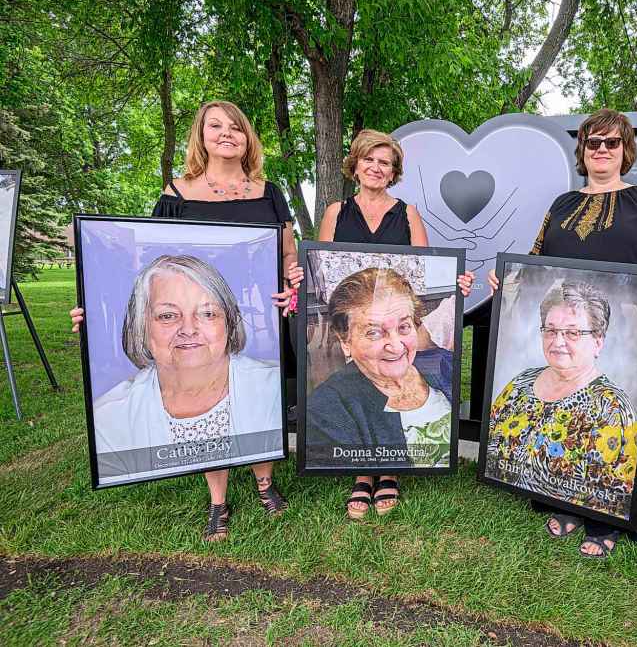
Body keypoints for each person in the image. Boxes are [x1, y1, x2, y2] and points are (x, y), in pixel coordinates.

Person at [71, 100, 302, 541]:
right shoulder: (176, 194)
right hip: (194, 318)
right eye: (216, 126)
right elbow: (146, 262)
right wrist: (96, 313)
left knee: (257, 397)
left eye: (236, 126)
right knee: (201, 391)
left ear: (247, 138)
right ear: (201, 136)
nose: (227, 133)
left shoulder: (268, 192)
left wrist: (291, 275)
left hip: (259, 318)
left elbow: (288, 252)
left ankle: (265, 482)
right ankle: (218, 500)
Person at [489, 108, 637, 558]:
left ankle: (609, 513)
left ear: (625, 150)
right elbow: (536, 256)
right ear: (582, 150)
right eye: (593, 143)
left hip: (626, 327)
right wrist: (510, 279)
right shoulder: (562, 205)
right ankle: (566, 501)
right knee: (567, 423)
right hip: (565, 322)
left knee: (612, 424)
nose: (601, 150)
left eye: (611, 143)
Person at [317, 129, 473, 519]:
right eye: (369, 159)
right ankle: (362, 474)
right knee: (366, 386)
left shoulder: (408, 214)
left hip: (392, 308)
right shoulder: (336, 212)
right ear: (356, 165)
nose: (375, 167)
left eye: (384, 162)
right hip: (361, 314)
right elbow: (318, 258)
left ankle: (388, 471)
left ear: (393, 172)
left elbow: (426, 267)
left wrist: (456, 280)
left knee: (397, 375)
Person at [94, 255, 283, 484]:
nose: (189, 329)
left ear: (229, 322)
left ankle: (264, 487)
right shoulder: (109, 418)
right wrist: (90, 328)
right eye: (167, 316)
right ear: (141, 327)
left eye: (207, 314)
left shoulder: (275, 388)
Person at [486, 281, 637, 522]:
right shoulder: (521, 382)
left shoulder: (612, 408)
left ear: (598, 341)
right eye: (550, 330)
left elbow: (615, 492)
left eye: (572, 332)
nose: (557, 342)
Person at [307, 268, 453, 473]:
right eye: (374, 332)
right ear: (345, 341)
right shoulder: (327, 409)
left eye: (404, 327)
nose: (396, 346)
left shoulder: (442, 365)